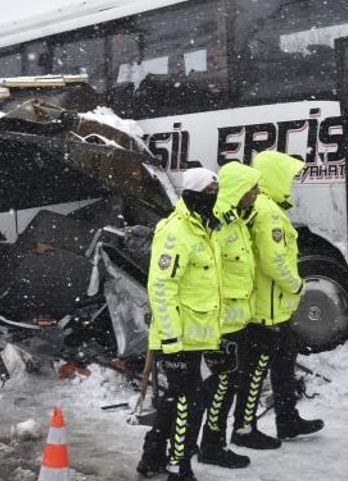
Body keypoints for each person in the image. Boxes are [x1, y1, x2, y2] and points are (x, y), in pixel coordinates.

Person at [230, 150, 324, 451]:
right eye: (289, 177)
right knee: (255, 371)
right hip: (265, 311)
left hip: (275, 308)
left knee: (283, 364)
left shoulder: (267, 206)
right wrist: (296, 285)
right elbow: (272, 261)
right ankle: (244, 429)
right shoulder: (266, 210)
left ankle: (287, 419)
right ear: (275, 176)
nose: (293, 183)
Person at [138, 167, 223, 481]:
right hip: (177, 338)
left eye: (217, 193)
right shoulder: (176, 231)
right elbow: (161, 287)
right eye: (209, 193)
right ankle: (179, 466)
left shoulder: (203, 229)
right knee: (189, 403)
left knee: (176, 401)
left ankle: (153, 457)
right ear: (193, 195)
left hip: (196, 335)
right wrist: (172, 340)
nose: (214, 199)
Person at [195, 161, 261, 470]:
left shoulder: (236, 220)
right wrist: (215, 327)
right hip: (222, 325)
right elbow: (212, 277)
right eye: (252, 188)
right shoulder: (219, 223)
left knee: (226, 385)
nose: (257, 192)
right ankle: (211, 446)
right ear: (238, 190)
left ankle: (210, 442)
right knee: (220, 387)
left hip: (238, 321)